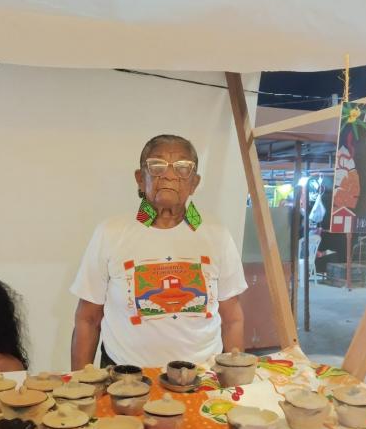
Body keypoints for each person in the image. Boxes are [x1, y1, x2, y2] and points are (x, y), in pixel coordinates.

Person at [70, 134, 247, 370]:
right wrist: (80, 383)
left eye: (182, 167)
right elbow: (88, 319)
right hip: (124, 376)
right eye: (157, 165)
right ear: (140, 178)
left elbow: (232, 318)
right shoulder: (111, 233)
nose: (169, 175)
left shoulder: (217, 234)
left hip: (202, 374)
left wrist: (236, 376)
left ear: (194, 183)